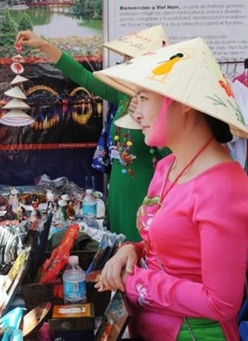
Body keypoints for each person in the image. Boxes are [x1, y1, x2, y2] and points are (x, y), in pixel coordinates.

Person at [93, 37, 248, 340]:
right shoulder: (166, 166)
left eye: (143, 97)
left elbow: (220, 302)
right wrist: (132, 250)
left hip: (192, 333)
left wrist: (132, 281)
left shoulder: (223, 186)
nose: (135, 111)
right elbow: (166, 241)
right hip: (147, 324)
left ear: (182, 102)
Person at [16, 26, 169, 242]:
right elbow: (81, 76)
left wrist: (149, 120)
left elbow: (175, 156)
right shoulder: (124, 94)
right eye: (124, 56)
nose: (125, 61)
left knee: (143, 256)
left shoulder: (166, 102)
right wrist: (42, 44)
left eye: (130, 57)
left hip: (145, 194)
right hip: (117, 190)